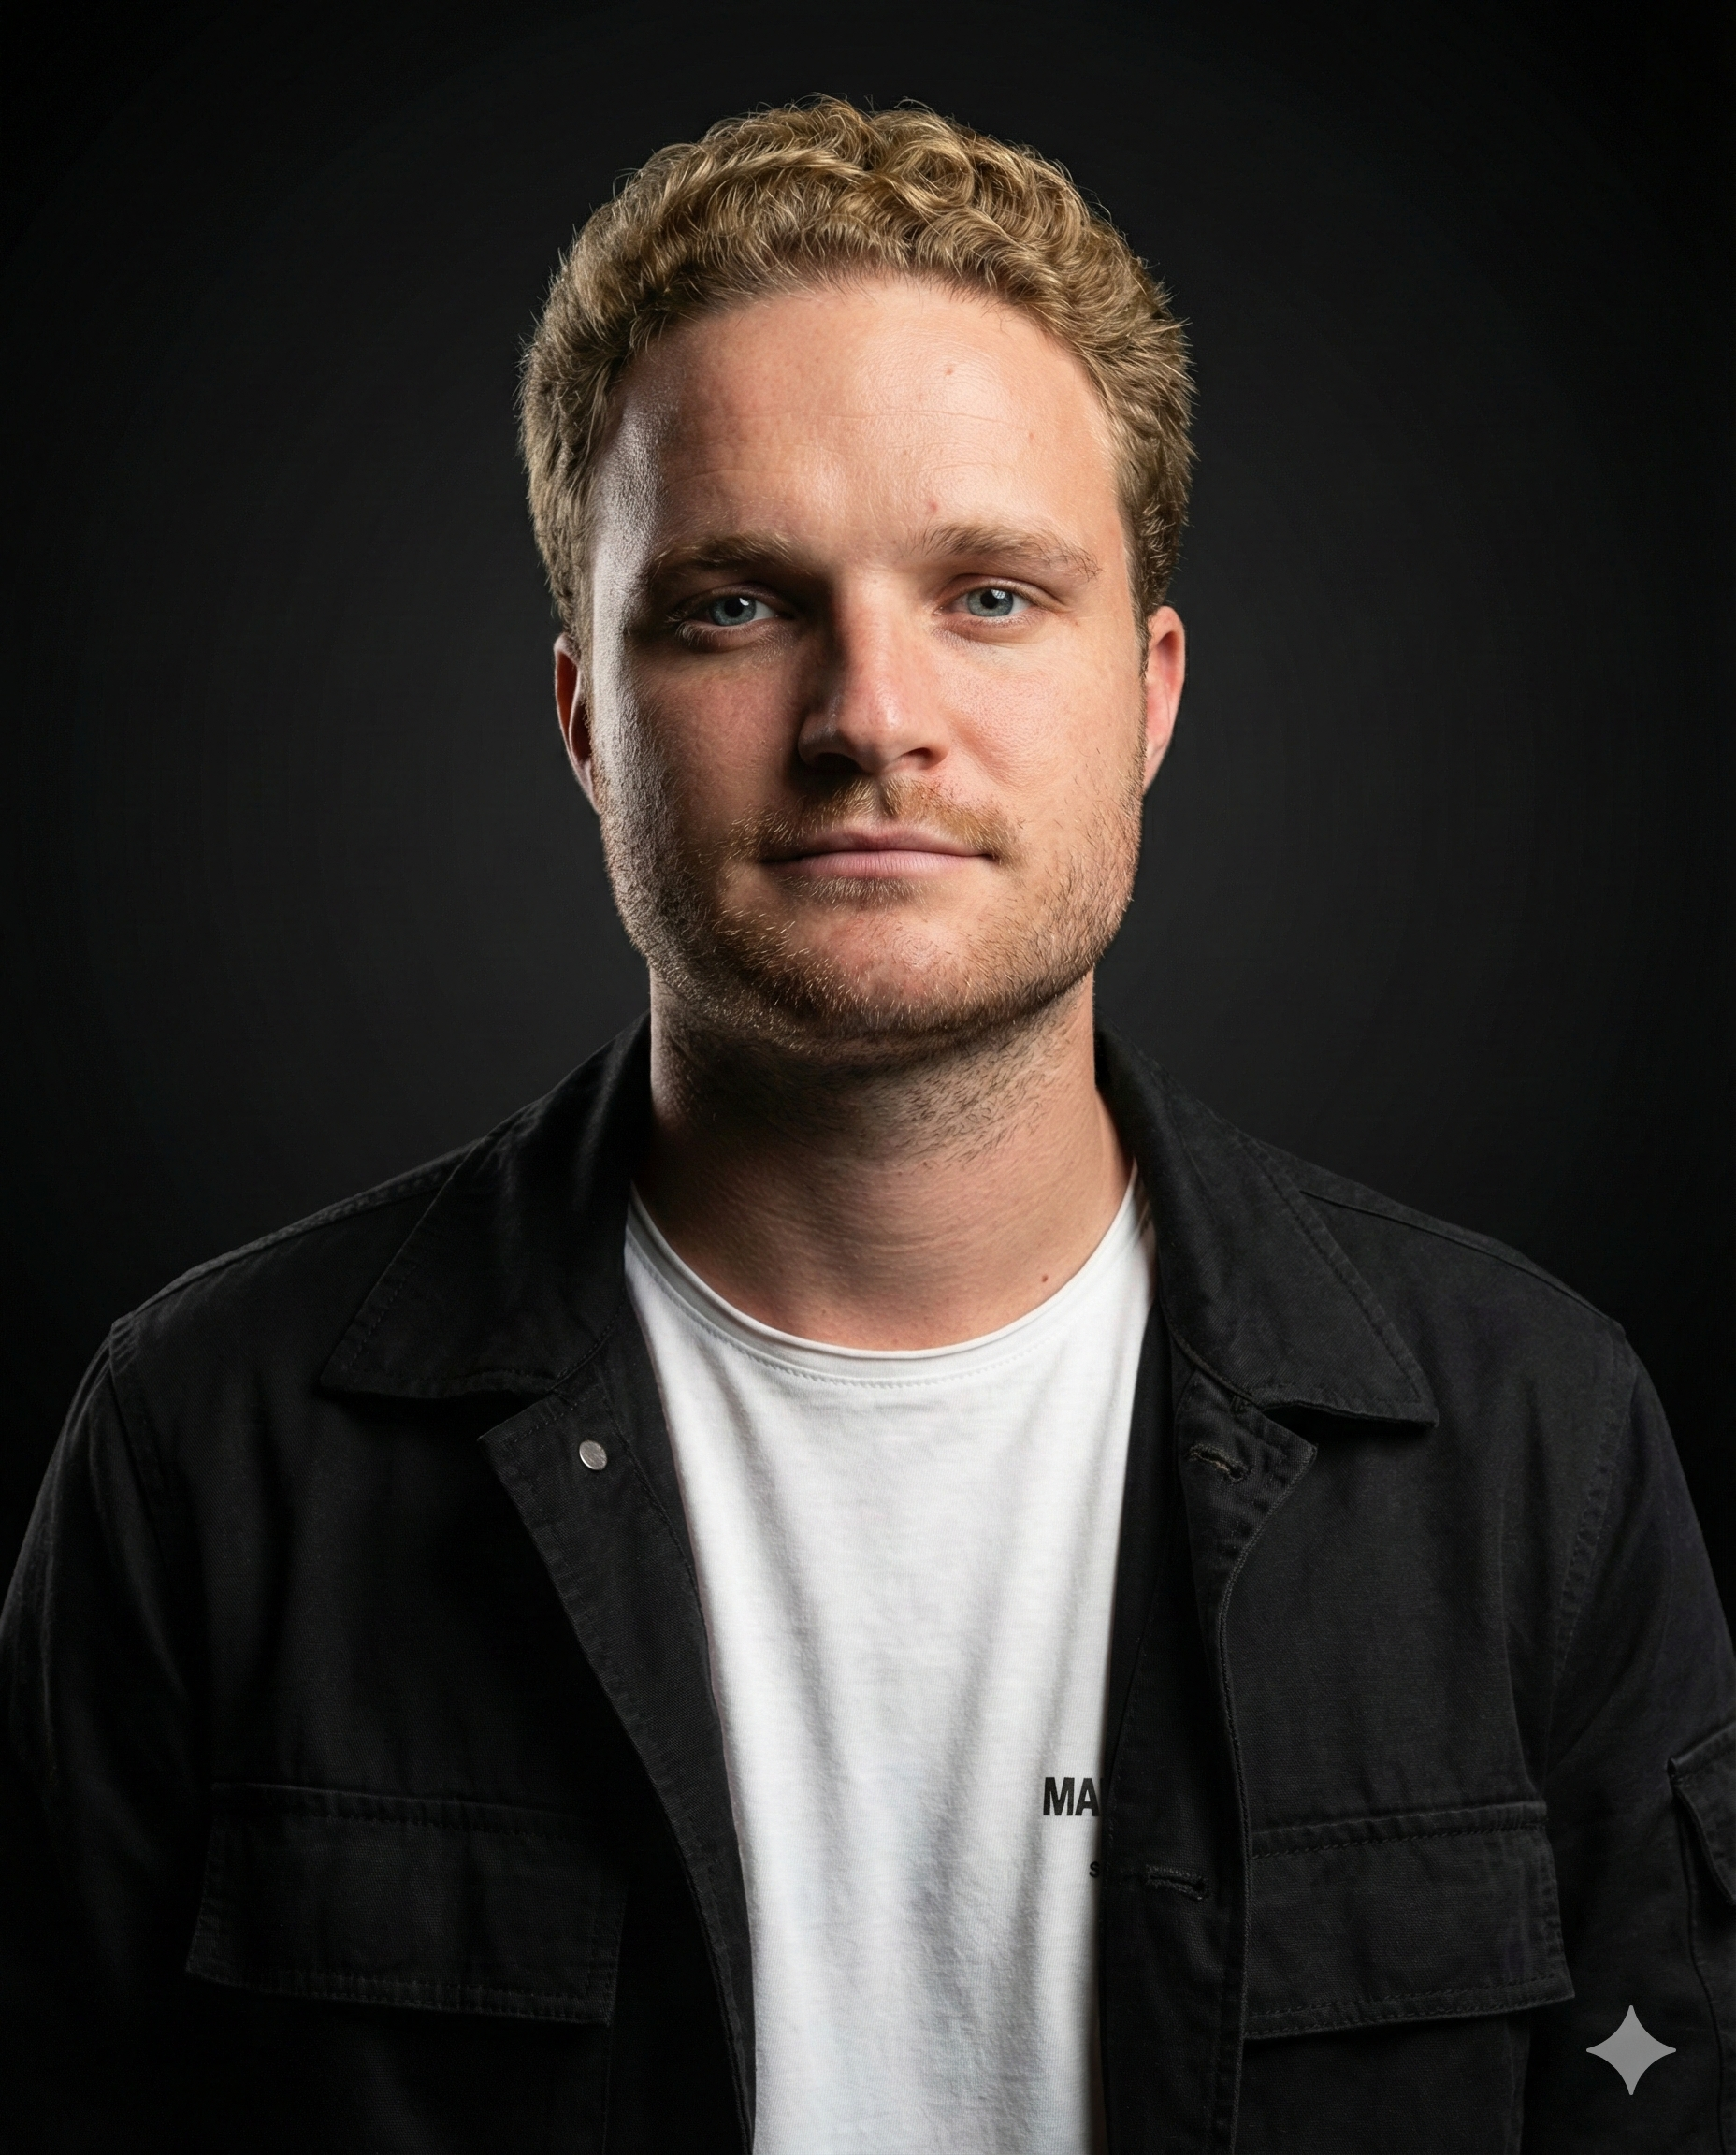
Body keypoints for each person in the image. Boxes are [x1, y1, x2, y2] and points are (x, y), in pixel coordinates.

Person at [1, 96, 1730, 2155]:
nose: (869, 717)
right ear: (582, 718)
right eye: (734, 603)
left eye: (991, 594)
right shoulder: (212, 1449)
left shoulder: (1537, 1444)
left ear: (1153, 696)